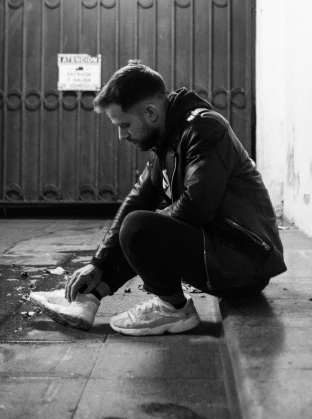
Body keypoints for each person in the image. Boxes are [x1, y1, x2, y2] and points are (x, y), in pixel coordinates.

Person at [31, 62, 286, 336]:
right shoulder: (165, 141)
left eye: (125, 125)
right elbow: (137, 199)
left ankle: (173, 308)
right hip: (220, 254)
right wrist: (99, 263)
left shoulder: (205, 130)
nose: (121, 135)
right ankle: (88, 299)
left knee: (139, 228)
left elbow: (195, 209)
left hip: (245, 262)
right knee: (138, 222)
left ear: (151, 112)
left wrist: (141, 235)